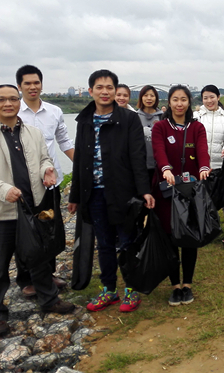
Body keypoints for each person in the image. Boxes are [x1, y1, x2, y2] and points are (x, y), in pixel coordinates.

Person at [0, 65, 75, 298]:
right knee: (18, 238)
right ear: (20, 87)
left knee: (46, 233)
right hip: (11, 188)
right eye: (27, 83)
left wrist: (83, 168)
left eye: (36, 82)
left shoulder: (54, 112)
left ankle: (46, 277)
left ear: (41, 85)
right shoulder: (10, 114)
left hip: (46, 182)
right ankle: (25, 282)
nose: (32, 87)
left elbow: (64, 142)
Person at [0, 84, 76, 338]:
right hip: (1, 212)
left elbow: (44, 159)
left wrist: (47, 170)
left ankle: (49, 300)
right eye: (1, 100)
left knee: (39, 258)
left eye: (12, 99)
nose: (8, 104)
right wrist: (3, 190)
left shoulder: (33, 133)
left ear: (19, 102)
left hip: (33, 207)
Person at [68, 70, 155, 313]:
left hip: (122, 192)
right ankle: (108, 289)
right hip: (93, 193)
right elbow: (80, 159)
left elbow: (137, 156)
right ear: (90, 91)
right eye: (99, 87)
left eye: (109, 87)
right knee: (104, 243)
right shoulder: (84, 120)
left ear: (115, 91)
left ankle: (131, 289)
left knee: (127, 241)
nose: (104, 92)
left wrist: (144, 191)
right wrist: (75, 196)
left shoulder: (128, 119)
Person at [152, 85, 211, 306]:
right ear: (169, 102)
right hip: (167, 190)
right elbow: (159, 151)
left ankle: (187, 284)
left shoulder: (197, 127)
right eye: (175, 99)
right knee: (170, 238)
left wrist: (204, 167)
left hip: (190, 190)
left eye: (183, 99)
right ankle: (175, 285)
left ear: (189, 102)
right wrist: (166, 169)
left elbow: (202, 150)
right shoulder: (160, 127)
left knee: (189, 236)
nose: (179, 104)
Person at [194, 85, 224, 246]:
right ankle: (206, 230)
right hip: (202, 167)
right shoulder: (197, 116)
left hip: (220, 165)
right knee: (203, 200)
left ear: (218, 97)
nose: (209, 101)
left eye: (212, 97)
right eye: (205, 98)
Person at [136, 85, 163, 183]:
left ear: (156, 98)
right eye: (146, 95)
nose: (149, 98)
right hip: (140, 165)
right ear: (141, 97)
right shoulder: (135, 117)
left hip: (159, 165)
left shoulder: (162, 117)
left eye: (152, 95)